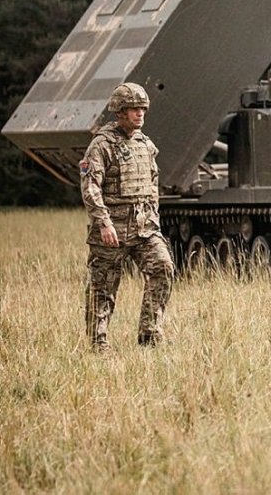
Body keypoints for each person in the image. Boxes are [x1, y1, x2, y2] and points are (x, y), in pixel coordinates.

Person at [81, 82, 174, 351]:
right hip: (112, 229)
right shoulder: (101, 145)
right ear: (120, 112)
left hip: (144, 228)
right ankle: (98, 343)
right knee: (103, 287)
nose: (140, 114)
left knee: (163, 267)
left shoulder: (146, 145)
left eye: (142, 109)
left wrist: (153, 219)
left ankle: (149, 335)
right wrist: (103, 223)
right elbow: (90, 187)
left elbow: (153, 185)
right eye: (134, 109)